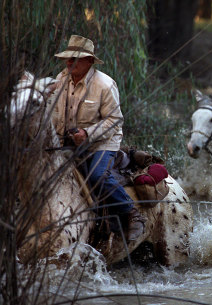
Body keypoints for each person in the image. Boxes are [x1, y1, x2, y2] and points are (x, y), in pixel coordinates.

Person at [51, 34, 145, 240]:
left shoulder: (105, 85)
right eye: (68, 58)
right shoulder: (60, 80)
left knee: (97, 176)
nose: (69, 62)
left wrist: (87, 134)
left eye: (76, 58)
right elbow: (55, 114)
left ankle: (130, 212)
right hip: (66, 142)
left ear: (90, 61)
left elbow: (114, 121)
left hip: (103, 143)